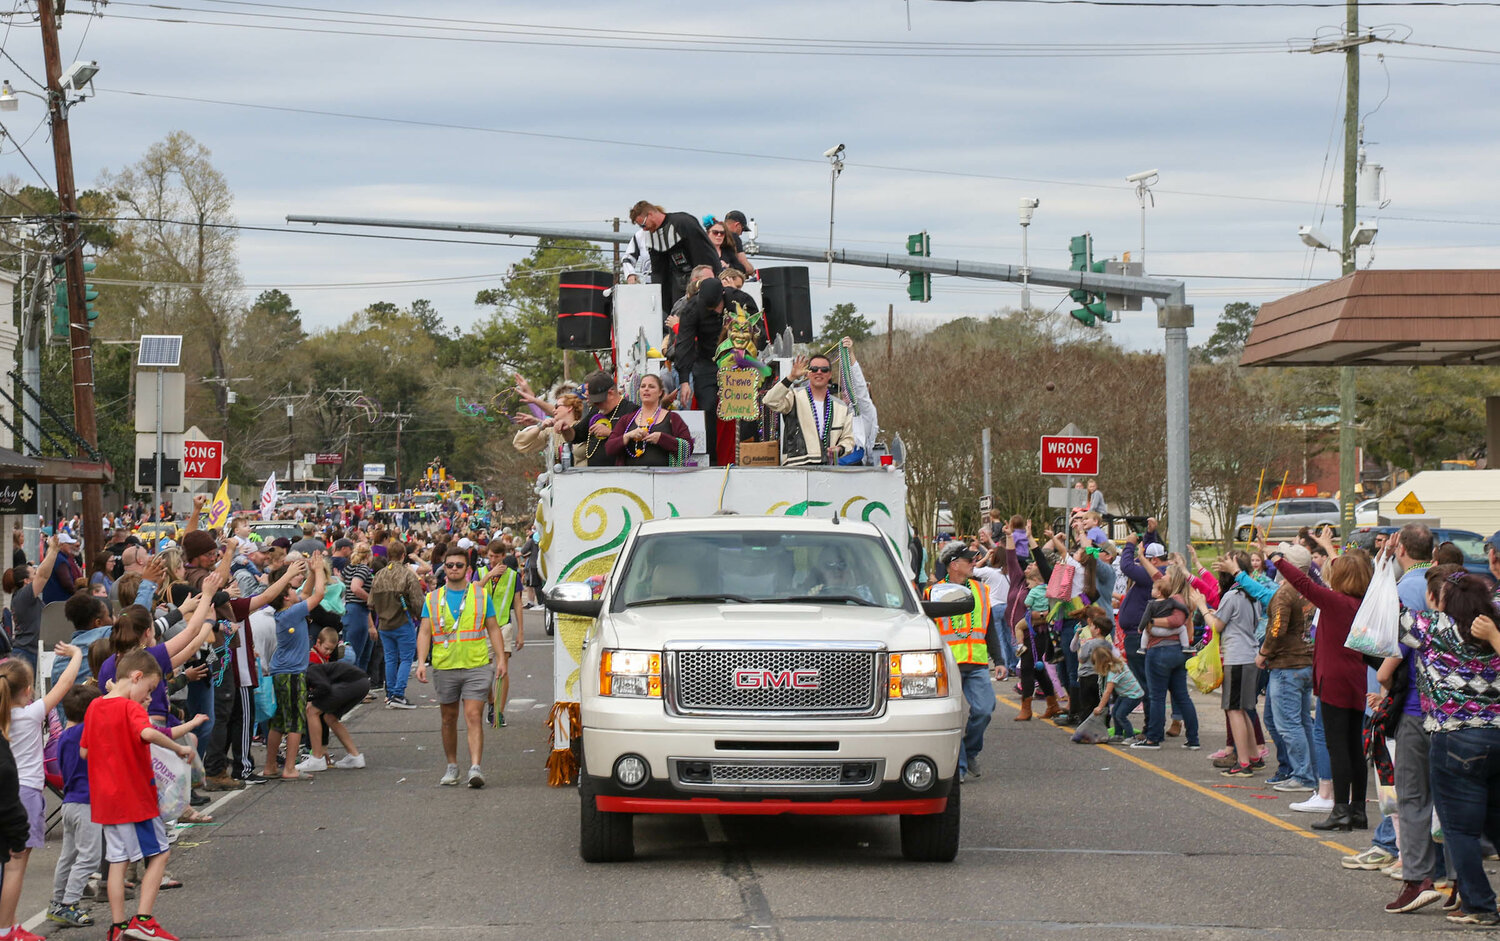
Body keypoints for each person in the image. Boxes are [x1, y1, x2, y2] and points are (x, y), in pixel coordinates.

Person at [81, 648, 197, 941]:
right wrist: (179, 748)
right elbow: (146, 734)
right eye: (147, 689)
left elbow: (84, 751)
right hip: (135, 798)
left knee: (118, 862)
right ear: (136, 677)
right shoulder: (131, 708)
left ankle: (118, 926)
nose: (147, 697)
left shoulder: (94, 707)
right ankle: (143, 920)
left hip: (106, 802)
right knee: (160, 853)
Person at [1407, 567, 1500, 925]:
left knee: (1460, 830)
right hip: (1497, 734)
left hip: (1455, 737)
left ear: (1439, 602)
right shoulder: (1495, 624)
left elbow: (1376, 617)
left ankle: (1480, 903)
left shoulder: (1431, 629)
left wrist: (1386, 569)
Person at [1271, 543, 1373, 832]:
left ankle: (1340, 809)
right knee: (1354, 746)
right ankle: (1357, 810)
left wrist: (1278, 559)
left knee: (1337, 746)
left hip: (1335, 680)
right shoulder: (1363, 603)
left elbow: (1305, 583)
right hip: (1355, 678)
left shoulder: (1336, 602)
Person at [0, 643, 84, 941]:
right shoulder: (30, 715)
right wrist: (76, 655)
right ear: (25, 690)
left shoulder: (5, 718)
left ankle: (10, 923)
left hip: (6, 793)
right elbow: (65, 684)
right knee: (15, 867)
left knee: (8, 865)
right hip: (26, 795)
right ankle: (7, 928)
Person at [416, 547, 507, 788]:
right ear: (444, 568)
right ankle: (452, 766)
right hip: (445, 666)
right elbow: (425, 631)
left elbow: (494, 628)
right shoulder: (433, 598)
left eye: (458, 565)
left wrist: (501, 659)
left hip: (476, 664)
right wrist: (421, 662)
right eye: (449, 565)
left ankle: (475, 768)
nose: (454, 569)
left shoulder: (480, 596)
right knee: (448, 718)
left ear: (468, 569)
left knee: (473, 715)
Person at [925, 543, 995, 782]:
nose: (974, 563)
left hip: (976, 662)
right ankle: (961, 766)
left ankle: (971, 750)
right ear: (954, 565)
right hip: (948, 664)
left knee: (985, 710)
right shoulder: (933, 592)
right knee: (953, 716)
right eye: (969, 560)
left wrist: (1002, 659)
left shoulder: (981, 590)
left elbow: (990, 625)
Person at [1193, 550, 1260, 777]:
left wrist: (1202, 607)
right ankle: (1252, 755)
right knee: (1243, 709)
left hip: (1237, 658)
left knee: (1233, 710)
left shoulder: (1231, 596)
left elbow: (1217, 626)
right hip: (1250, 655)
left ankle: (1243, 762)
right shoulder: (1251, 594)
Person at [263, 556, 326, 782]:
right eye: (291, 588)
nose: (295, 590)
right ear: (285, 597)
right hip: (292, 673)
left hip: (281, 671)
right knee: (296, 722)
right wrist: (319, 570)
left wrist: (310, 573)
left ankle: (270, 765)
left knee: (278, 722)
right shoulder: (291, 613)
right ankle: (290, 768)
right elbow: (318, 595)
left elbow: (307, 592)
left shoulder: (287, 609)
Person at [48, 685, 103, 929]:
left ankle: (57, 902)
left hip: (69, 803)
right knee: (90, 858)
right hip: (86, 804)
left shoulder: (63, 738)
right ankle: (70, 903)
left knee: (68, 857)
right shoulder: (87, 733)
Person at [763, 353, 856, 467]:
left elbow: (848, 439)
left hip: (828, 469)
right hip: (796, 466)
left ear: (830, 374)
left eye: (824, 370)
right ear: (808, 373)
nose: (819, 372)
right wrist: (791, 377)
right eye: (814, 369)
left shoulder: (841, 407)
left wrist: (839, 449)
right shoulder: (794, 396)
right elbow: (769, 400)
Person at [297, 628, 369, 773]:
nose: (329, 652)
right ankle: (355, 756)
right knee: (329, 717)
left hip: (352, 683)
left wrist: (309, 698)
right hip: (362, 683)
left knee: (311, 711)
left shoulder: (309, 668)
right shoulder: (316, 662)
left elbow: (324, 687)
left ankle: (316, 759)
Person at [670, 278, 727, 461]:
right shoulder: (692, 308)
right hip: (706, 362)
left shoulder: (738, 300)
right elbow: (684, 344)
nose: (714, 311)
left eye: (716, 307)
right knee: (707, 406)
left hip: (733, 362)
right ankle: (711, 460)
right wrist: (685, 380)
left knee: (743, 409)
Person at [629, 200, 721, 312]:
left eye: (643, 224)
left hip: (700, 277)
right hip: (678, 282)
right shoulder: (652, 236)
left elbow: (705, 253)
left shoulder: (683, 222)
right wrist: (660, 299)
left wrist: (710, 281)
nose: (644, 229)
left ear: (650, 215)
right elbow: (658, 271)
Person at [369, 540, 425, 709]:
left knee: (390, 658)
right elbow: (418, 602)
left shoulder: (379, 575)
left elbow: (370, 601)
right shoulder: (407, 574)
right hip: (402, 619)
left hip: (384, 623)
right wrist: (420, 616)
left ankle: (390, 693)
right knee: (406, 658)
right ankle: (399, 694)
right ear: (403, 556)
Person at [605, 374, 692, 467]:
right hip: (630, 477)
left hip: (666, 478)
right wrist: (628, 436)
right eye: (643, 386)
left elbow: (687, 450)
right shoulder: (626, 419)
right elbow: (609, 448)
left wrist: (662, 439)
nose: (646, 389)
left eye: (651, 386)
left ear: (660, 392)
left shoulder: (673, 418)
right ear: (639, 391)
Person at [480, 541, 523, 727]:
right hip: (483, 627)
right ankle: (491, 702)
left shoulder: (513, 576)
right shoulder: (482, 572)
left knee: (502, 667)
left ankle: (499, 711)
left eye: (496, 557)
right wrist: (489, 575)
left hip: (504, 624)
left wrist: (521, 631)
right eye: (490, 556)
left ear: (503, 556)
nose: (493, 560)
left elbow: (518, 603)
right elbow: (474, 590)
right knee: (483, 672)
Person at [2, 536, 62, 670]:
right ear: (26, 581)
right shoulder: (23, 596)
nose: (36, 575)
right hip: (26, 654)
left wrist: (54, 550)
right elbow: (43, 575)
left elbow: (42, 574)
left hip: (29, 652)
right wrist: (52, 550)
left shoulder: (24, 597)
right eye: (33, 573)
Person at [561, 372, 640, 470]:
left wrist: (610, 434)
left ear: (610, 393)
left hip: (620, 475)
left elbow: (636, 446)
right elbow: (575, 436)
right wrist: (565, 429)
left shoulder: (631, 411)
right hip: (594, 476)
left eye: (598, 400)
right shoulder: (596, 410)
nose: (595, 403)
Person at [341, 544, 376, 672]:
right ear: (368, 555)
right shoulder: (363, 569)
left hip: (348, 610)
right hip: (358, 611)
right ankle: (355, 688)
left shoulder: (349, 568)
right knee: (356, 654)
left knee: (348, 653)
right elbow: (355, 587)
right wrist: (371, 599)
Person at [720, 210, 756, 277]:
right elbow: (746, 268)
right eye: (742, 230)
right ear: (737, 225)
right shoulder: (733, 237)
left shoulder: (713, 235)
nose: (741, 233)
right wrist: (752, 270)